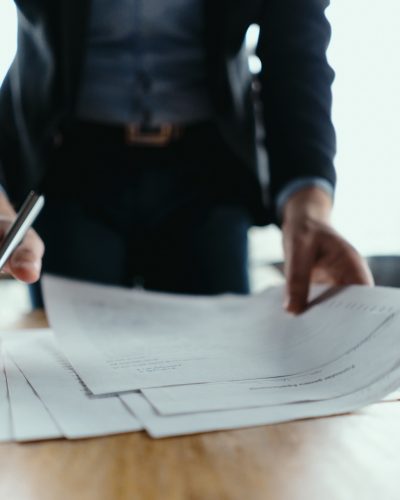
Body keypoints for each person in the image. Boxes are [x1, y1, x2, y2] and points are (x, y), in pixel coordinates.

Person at [0, 0, 373, 314]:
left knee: (220, 364)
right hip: (68, 160)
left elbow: (296, 48)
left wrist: (307, 203)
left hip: (208, 168)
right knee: (63, 364)